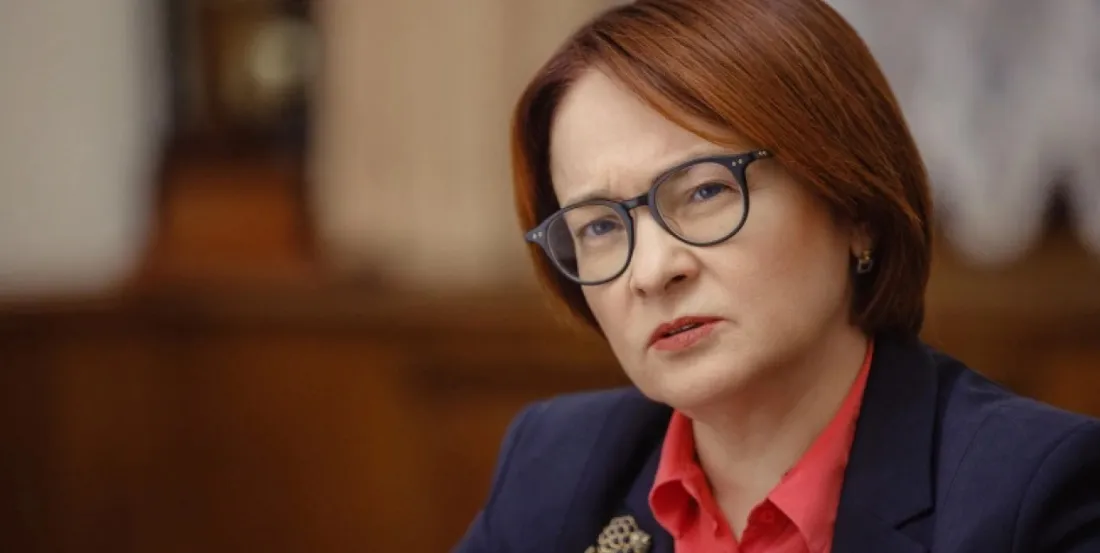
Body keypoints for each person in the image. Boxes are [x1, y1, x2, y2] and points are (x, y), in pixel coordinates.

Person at [454, 1, 1100, 552]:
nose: (651, 272)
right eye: (599, 226)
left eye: (705, 192)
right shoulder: (556, 465)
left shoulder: (1032, 493)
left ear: (855, 208)